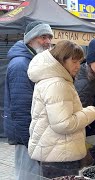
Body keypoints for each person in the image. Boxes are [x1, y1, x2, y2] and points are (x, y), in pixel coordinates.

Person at [27, 40, 95, 179]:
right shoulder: (58, 83)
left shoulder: (51, 78)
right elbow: (64, 124)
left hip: (53, 151)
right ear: (61, 60)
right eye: (74, 61)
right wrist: (91, 112)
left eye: (79, 61)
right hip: (60, 155)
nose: (78, 66)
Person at [3, 21, 53, 179]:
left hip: (35, 133)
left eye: (49, 37)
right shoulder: (21, 64)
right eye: (43, 37)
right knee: (28, 176)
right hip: (28, 136)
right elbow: (22, 110)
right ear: (30, 39)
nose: (47, 42)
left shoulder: (35, 60)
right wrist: (31, 142)